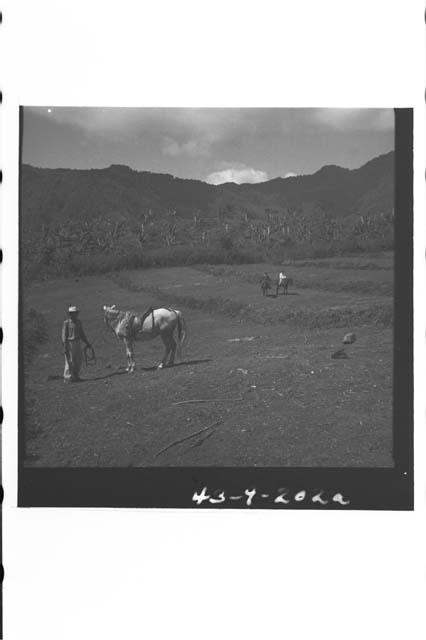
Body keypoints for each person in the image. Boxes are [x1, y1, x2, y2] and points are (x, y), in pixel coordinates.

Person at [62, 306, 92, 383]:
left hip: (78, 342)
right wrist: (65, 345)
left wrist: (87, 342)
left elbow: (82, 333)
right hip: (70, 343)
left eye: (75, 313)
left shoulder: (79, 322)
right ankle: (68, 377)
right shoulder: (66, 323)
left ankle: (75, 375)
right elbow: (64, 335)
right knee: (70, 360)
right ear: (70, 314)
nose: (74, 315)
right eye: (72, 313)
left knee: (79, 359)